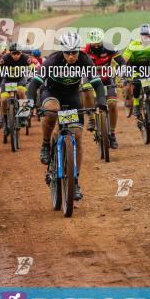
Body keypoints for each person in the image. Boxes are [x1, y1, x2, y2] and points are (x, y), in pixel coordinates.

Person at [27, 31, 106, 201]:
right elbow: (34, 84)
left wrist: (101, 102)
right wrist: (30, 103)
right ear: (62, 51)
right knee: (51, 112)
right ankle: (46, 144)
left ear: (79, 51)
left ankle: (75, 180)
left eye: (74, 52)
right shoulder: (52, 61)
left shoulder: (85, 60)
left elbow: (97, 84)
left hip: (72, 96)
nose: (71, 56)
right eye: (68, 53)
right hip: (51, 93)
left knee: (77, 136)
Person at [82, 29, 126, 148]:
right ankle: (91, 117)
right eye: (93, 42)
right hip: (90, 77)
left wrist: (120, 76)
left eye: (98, 42)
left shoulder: (109, 48)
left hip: (107, 78)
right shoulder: (84, 51)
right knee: (86, 90)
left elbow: (122, 63)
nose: (96, 45)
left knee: (112, 104)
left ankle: (112, 133)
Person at [121, 23, 150, 117]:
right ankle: (136, 103)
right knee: (137, 84)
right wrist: (122, 73)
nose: (147, 38)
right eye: (145, 36)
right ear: (141, 36)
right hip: (134, 68)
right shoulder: (133, 44)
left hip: (146, 69)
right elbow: (124, 60)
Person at [0, 42, 33, 127]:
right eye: (14, 53)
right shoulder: (4, 58)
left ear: (21, 53)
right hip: (7, 80)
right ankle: (5, 120)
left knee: (21, 92)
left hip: (20, 79)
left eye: (18, 53)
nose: (16, 56)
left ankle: (23, 117)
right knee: (4, 100)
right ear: (10, 53)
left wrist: (30, 76)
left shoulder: (25, 58)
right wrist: (1, 78)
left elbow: (33, 67)